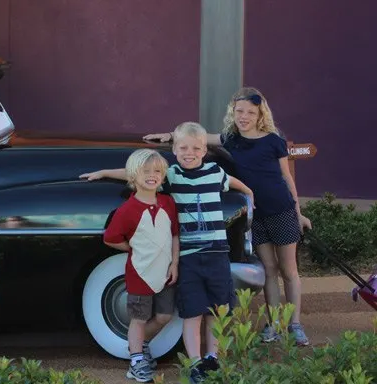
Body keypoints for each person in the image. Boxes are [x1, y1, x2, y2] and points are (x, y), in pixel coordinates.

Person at [83, 123, 254, 383]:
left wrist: (248, 191)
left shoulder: (214, 171)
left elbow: (232, 182)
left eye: (196, 148)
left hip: (218, 252)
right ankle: (195, 362)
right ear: (174, 149)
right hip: (190, 255)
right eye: (183, 147)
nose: (189, 152)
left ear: (204, 150)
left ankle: (213, 358)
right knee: (193, 310)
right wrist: (104, 172)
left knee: (217, 310)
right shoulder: (171, 175)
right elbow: (138, 173)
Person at [143, 87, 313, 346]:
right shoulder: (231, 138)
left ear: (260, 114)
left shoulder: (273, 139)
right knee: (268, 269)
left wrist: (298, 213)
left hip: (282, 210)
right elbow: (201, 138)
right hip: (256, 214)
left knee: (289, 270)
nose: (244, 116)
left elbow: (286, 177)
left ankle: (296, 324)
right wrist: (168, 136)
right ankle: (275, 323)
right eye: (239, 111)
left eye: (250, 112)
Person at [102, 148, 180, 383]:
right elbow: (110, 238)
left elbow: (175, 235)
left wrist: (174, 263)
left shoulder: (167, 203)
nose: (152, 175)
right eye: (145, 171)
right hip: (139, 274)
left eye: (157, 171)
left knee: (165, 316)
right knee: (138, 318)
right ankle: (136, 360)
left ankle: (139, 345)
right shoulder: (127, 209)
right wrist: (133, 248)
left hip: (166, 273)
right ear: (133, 176)